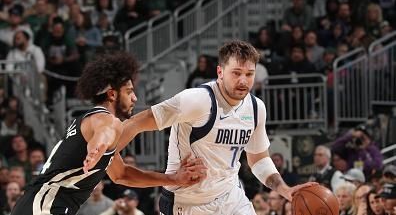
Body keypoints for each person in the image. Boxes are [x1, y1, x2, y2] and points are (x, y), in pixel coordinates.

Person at [99, 40, 316, 214]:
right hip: (188, 202)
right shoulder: (196, 100)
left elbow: (258, 158)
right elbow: (136, 123)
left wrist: (284, 189)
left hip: (231, 197)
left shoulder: (256, 107)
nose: (243, 80)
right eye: (236, 72)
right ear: (220, 72)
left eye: (249, 74)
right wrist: (104, 153)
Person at [11, 53, 206, 215]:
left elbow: (122, 175)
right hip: (45, 206)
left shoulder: (90, 121)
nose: (135, 98)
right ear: (112, 94)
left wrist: (173, 179)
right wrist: (97, 147)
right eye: (129, 92)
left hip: (37, 204)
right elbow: (104, 131)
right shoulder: (104, 119)